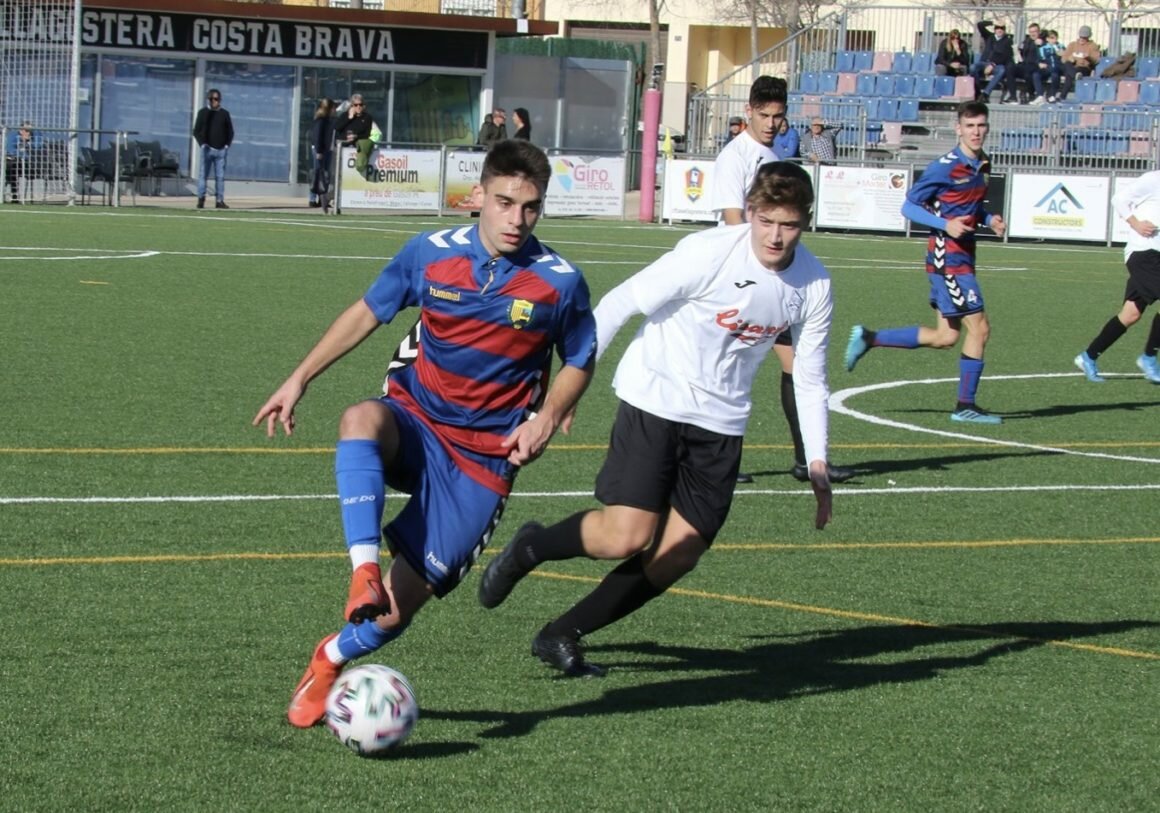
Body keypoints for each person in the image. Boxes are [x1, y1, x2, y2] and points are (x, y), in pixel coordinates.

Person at [254, 139, 598, 728]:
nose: (517, 219)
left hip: (482, 461)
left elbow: (581, 358)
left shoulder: (559, 282)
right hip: (416, 419)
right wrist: (299, 378)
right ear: (478, 197)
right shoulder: (429, 253)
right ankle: (361, 569)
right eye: (505, 202)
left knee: (390, 615)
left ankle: (328, 657)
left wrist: (546, 417)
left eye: (531, 207)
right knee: (360, 418)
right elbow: (368, 310)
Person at [477, 162, 836, 677]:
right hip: (657, 397)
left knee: (678, 555)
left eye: (790, 224)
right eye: (766, 221)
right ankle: (531, 546)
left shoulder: (815, 284)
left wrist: (818, 460)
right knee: (625, 537)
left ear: (805, 222)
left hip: (723, 423)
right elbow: (618, 304)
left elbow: (810, 376)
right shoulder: (708, 252)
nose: (776, 237)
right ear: (751, 213)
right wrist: (572, 384)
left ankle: (561, 633)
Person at [709, 76, 852, 484]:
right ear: (749, 111)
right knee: (729, 367)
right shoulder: (735, 156)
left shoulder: (771, 154)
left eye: (779, 116)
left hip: (774, 280)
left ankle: (807, 459)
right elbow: (733, 219)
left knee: (798, 366)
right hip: (738, 280)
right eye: (765, 115)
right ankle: (718, 460)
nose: (771, 123)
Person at [845, 101, 1008, 425]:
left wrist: (990, 219)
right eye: (970, 126)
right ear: (958, 128)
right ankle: (965, 405)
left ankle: (869, 338)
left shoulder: (983, 163)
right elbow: (909, 207)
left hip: (963, 255)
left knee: (945, 337)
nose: (976, 132)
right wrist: (945, 225)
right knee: (980, 328)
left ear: (987, 128)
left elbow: (970, 208)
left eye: (981, 126)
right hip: (948, 258)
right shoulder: (944, 167)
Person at [1073, 172, 1160, 384]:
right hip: (1144, 252)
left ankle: (1088, 356)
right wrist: (1136, 224)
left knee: (1130, 314)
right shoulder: (1154, 179)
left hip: (1156, 256)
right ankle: (1149, 357)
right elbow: (1119, 199)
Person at [192, 88, 234, 209]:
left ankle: (219, 200)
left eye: (216, 99)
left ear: (220, 100)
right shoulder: (203, 113)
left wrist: (226, 145)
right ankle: (201, 199)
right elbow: (196, 131)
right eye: (211, 99)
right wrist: (203, 144)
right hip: (207, 149)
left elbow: (230, 131)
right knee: (203, 175)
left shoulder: (224, 114)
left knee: (220, 177)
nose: (214, 101)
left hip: (221, 150)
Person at [970, 21, 1014, 104]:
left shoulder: (1008, 41)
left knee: (1002, 70)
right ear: (994, 29)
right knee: (972, 67)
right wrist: (993, 22)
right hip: (983, 63)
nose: (999, 30)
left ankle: (986, 94)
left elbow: (1006, 56)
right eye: (997, 28)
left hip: (996, 65)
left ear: (1004, 30)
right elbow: (980, 25)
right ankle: (978, 92)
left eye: (1002, 28)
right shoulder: (989, 37)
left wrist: (992, 64)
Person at [333, 93, 374, 175]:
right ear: (352, 106)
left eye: (360, 105)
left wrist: (356, 136)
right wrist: (349, 117)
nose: (358, 107)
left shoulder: (367, 118)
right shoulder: (345, 115)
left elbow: (367, 134)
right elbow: (337, 127)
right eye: (356, 105)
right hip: (344, 148)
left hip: (357, 148)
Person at [1060, 25, 1101, 101]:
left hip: (1083, 68)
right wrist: (1070, 58)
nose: (1082, 39)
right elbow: (1063, 58)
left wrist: (1088, 57)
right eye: (1081, 37)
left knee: (1069, 76)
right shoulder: (1072, 45)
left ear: (1088, 37)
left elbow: (1096, 60)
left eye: (1084, 37)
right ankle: (1075, 75)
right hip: (1072, 67)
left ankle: (1062, 97)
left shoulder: (1093, 46)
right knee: (1067, 65)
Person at [308, 98, 335, 211]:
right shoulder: (321, 120)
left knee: (324, 174)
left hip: (326, 149)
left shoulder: (328, 119)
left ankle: (322, 197)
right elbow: (318, 136)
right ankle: (313, 198)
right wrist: (319, 151)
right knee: (318, 173)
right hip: (321, 150)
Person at [4, 121, 40, 204]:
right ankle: (14, 195)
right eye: (26, 130)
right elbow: (10, 150)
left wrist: (28, 144)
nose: (29, 133)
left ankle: (14, 195)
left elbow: (37, 149)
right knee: (12, 168)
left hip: (28, 165)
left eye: (30, 131)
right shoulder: (13, 136)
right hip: (14, 163)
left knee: (13, 169)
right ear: (20, 130)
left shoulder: (34, 138)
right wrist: (21, 151)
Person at [1010, 22, 1043, 104]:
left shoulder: (1041, 42)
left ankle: (1030, 94)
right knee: (1009, 68)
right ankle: (1013, 96)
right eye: (1031, 32)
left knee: (1029, 72)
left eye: (1034, 31)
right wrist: (1016, 52)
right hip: (1024, 65)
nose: (1032, 34)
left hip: (1035, 66)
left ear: (1039, 32)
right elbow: (1021, 54)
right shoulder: (1026, 41)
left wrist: (1039, 44)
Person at [1029, 30, 1064, 105]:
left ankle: (1052, 95)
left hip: (1056, 68)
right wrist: (1039, 63)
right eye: (1051, 38)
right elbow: (1038, 58)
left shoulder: (1060, 46)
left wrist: (1059, 52)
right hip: (1047, 67)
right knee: (1036, 75)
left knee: (1055, 75)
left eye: (1055, 38)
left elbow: (1064, 55)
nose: (1053, 40)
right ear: (1047, 39)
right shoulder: (1043, 48)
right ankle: (1040, 95)